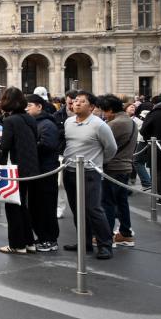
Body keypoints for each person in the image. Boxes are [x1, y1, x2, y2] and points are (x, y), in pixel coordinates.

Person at [62, 91, 116, 259]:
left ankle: (105, 245)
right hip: (69, 170)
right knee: (77, 209)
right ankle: (84, 242)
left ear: (92, 107)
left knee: (94, 209)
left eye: (82, 101)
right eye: (75, 101)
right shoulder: (68, 122)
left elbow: (111, 148)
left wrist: (97, 162)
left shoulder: (99, 125)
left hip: (90, 172)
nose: (76, 104)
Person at [0, 87, 39, 254]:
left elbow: (5, 146)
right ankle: (29, 242)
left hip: (15, 167)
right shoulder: (29, 118)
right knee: (23, 206)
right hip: (31, 166)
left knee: (12, 205)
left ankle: (16, 244)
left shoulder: (10, 121)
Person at [101, 95, 137, 247]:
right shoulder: (130, 121)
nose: (103, 114)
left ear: (110, 110)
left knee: (107, 202)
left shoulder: (114, 124)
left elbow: (101, 144)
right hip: (125, 166)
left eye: (104, 111)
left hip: (113, 167)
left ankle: (107, 235)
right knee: (122, 201)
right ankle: (125, 233)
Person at [26, 94, 61, 251]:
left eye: (30, 105)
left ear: (39, 107)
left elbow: (47, 145)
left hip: (45, 171)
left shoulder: (47, 124)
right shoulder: (37, 122)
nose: (27, 108)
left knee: (46, 206)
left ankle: (49, 239)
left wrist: (28, 146)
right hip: (37, 170)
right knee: (36, 205)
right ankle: (42, 236)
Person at [126, 103, 151, 190]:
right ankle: (133, 179)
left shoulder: (137, 119)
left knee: (135, 161)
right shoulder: (151, 116)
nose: (133, 108)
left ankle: (145, 182)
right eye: (131, 107)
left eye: (134, 107)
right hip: (146, 142)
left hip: (137, 141)